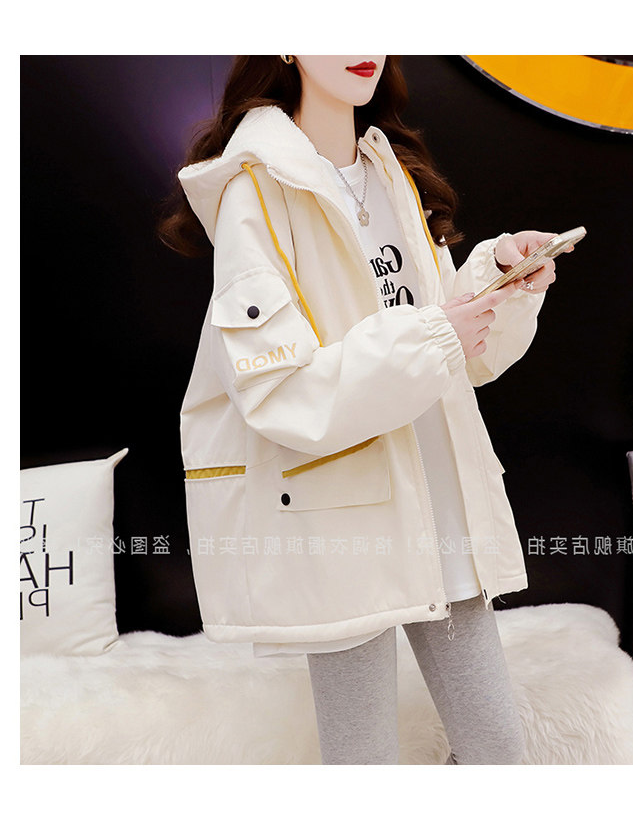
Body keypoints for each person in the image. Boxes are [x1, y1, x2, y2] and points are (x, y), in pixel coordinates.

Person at [159, 55, 561, 764]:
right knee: (362, 764)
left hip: (441, 504)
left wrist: (498, 277)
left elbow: (453, 348)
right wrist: (435, 336)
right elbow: (279, 390)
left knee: (497, 750)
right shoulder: (258, 188)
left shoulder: (389, 169)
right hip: (340, 514)